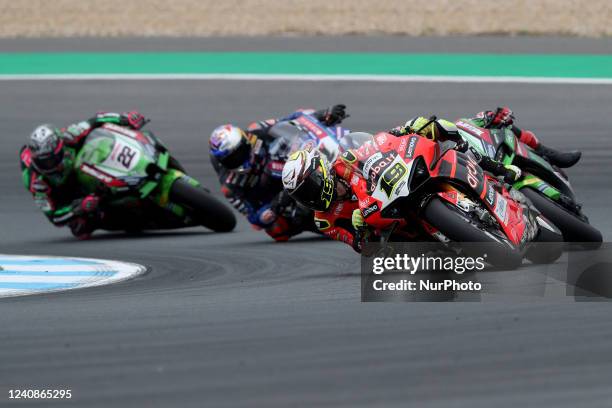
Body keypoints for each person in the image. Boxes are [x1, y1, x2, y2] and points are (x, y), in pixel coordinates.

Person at [282, 121, 523, 252]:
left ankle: (498, 170)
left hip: (398, 186)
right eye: (302, 195)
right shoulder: (324, 220)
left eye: (310, 187)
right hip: (389, 225)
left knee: (450, 143)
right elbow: (360, 247)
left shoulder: (343, 164)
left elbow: (375, 148)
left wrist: (403, 132)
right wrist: (360, 233)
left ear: (320, 171)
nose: (310, 197)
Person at [209, 104, 348, 241]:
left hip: (289, 163)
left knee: (327, 133)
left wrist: (324, 114)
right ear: (223, 162)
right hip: (277, 198)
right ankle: (335, 225)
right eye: (232, 158)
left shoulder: (255, 130)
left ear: (244, 140)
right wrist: (272, 209)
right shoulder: (230, 186)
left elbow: (294, 118)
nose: (238, 157)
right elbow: (254, 218)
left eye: (239, 151)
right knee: (277, 229)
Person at [20, 111, 147, 239]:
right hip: (67, 195)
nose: (49, 166)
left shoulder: (69, 136)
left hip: (83, 166)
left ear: (60, 148)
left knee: (102, 139)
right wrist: (79, 207)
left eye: (51, 160)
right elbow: (54, 218)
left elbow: (96, 119)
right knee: (80, 228)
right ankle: (124, 218)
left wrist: (125, 119)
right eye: (43, 162)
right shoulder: (37, 183)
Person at [463, 106, 581, 168]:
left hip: (492, 157)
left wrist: (492, 117)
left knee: (505, 126)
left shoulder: (454, 126)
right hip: (473, 174)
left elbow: (476, 120)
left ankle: (545, 151)